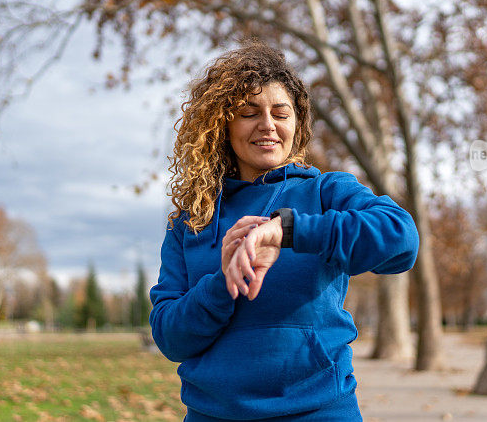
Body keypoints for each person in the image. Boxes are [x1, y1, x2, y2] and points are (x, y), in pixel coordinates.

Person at [149, 41, 419, 421]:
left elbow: (401, 240)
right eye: (249, 112)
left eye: (281, 113)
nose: (268, 125)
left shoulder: (326, 191)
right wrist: (223, 283)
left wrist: (288, 231)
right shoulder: (191, 221)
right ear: (222, 125)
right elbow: (170, 338)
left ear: (297, 124)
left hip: (321, 410)